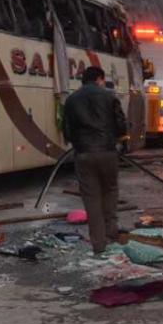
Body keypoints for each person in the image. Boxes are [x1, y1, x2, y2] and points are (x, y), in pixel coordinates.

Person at [63, 66, 128, 254]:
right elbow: (121, 125)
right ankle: (111, 233)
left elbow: (66, 131)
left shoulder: (71, 100)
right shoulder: (109, 96)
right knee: (110, 191)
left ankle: (98, 245)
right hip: (107, 152)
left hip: (83, 154)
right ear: (99, 79)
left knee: (91, 199)